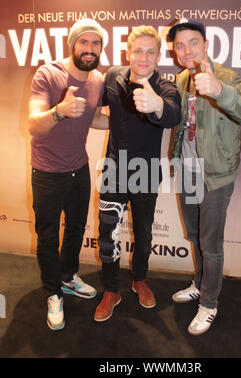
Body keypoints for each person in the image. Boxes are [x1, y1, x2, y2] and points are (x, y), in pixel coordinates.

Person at [168, 19, 241, 335]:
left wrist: (220, 91)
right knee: (194, 236)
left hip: (216, 176)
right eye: (180, 46)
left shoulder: (226, 77)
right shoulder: (182, 79)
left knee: (211, 244)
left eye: (192, 42)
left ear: (206, 44)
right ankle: (199, 283)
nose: (186, 50)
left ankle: (209, 302)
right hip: (188, 171)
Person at [94, 25, 181, 322]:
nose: (143, 57)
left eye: (150, 52)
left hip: (145, 174)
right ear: (128, 52)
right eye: (138, 51)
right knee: (108, 235)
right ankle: (111, 290)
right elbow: (96, 107)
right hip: (114, 170)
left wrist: (155, 104)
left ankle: (140, 280)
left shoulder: (165, 87)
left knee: (143, 235)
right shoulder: (112, 77)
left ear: (159, 56)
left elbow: (172, 113)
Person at [28, 18, 108, 331]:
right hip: (47, 172)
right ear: (72, 45)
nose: (89, 49)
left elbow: (96, 118)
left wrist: (131, 121)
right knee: (48, 238)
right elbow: (34, 124)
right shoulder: (48, 74)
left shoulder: (98, 79)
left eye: (95, 44)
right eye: (84, 43)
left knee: (75, 229)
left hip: (79, 168)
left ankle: (68, 277)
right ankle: (53, 293)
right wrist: (59, 110)